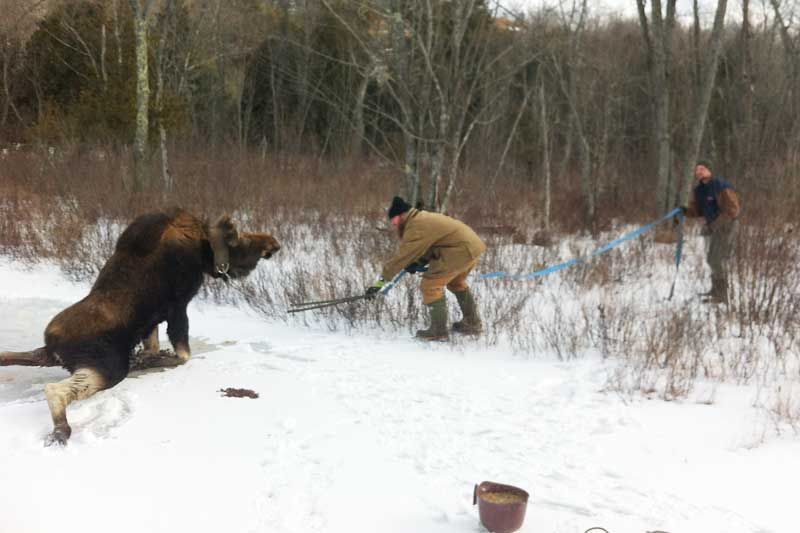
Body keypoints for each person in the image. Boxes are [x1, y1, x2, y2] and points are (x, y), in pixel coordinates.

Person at [366, 196, 486, 340]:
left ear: (401, 215)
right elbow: (433, 244)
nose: (393, 224)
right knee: (456, 283)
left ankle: (438, 331)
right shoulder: (421, 219)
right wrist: (419, 262)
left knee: (430, 285)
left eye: (393, 220)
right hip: (471, 248)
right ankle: (472, 323)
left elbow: (402, 257)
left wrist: (380, 283)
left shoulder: (416, 225)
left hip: (460, 251)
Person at [681, 160, 741, 304]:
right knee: (711, 258)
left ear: (710, 170)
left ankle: (722, 295)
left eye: (702, 168)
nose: (699, 171)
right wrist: (684, 211)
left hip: (727, 225)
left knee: (716, 259)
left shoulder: (721, 186)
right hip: (712, 227)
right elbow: (697, 210)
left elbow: (733, 210)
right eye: (697, 169)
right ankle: (716, 290)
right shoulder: (699, 190)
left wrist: (716, 224)